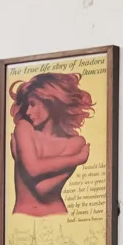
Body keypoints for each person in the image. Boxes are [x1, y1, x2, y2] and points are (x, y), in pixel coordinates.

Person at [9, 70, 92, 217]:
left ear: (50, 101)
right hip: (22, 220)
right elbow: (33, 169)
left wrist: (29, 162)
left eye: (33, 104)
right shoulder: (24, 128)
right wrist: (78, 159)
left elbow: (42, 189)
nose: (27, 111)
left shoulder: (76, 142)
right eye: (27, 105)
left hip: (59, 219)